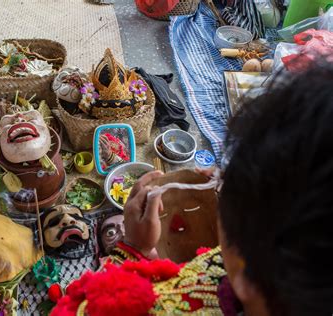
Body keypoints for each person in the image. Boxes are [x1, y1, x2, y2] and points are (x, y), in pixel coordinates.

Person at [52, 63, 333, 315]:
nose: (219, 180)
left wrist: (132, 249)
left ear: (249, 279)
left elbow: (80, 308)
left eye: (231, 186)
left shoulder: (159, 306)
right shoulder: (269, 270)